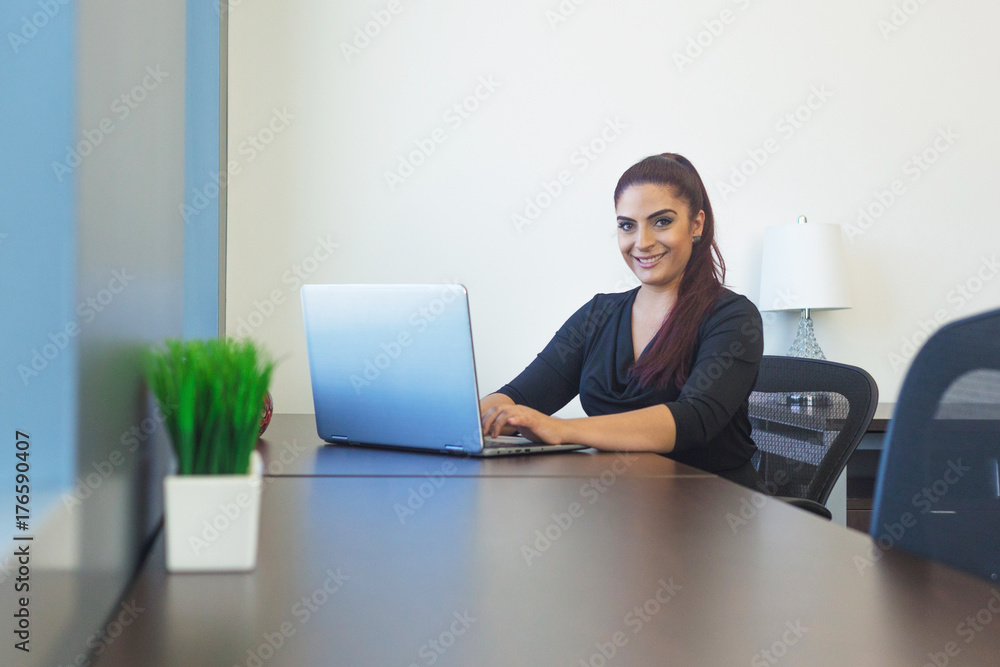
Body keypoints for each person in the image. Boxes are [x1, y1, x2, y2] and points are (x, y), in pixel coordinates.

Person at [478, 152, 769, 492]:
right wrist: (467, 421)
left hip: (714, 508)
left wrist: (561, 429)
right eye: (627, 225)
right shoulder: (597, 315)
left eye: (662, 221)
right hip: (620, 502)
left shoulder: (733, 318)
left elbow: (693, 420)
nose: (642, 242)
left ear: (697, 224)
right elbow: (518, 396)